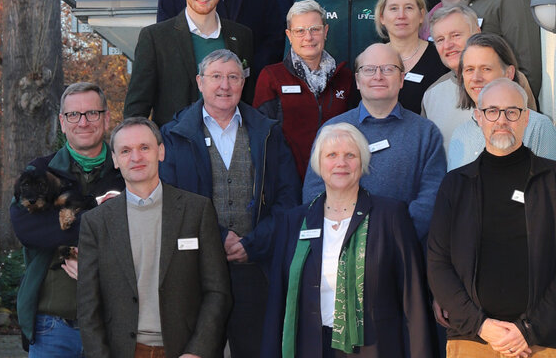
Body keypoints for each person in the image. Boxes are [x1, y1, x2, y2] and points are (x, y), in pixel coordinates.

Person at [428, 78, 556, 356]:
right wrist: (480, 325)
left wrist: (529, 330)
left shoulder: (554, 178)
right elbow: (438, 262)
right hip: (473, 341)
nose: (502, 119)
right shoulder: (455, 184)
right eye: (492, 111)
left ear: (526, 118)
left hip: (541, 342)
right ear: (478, 117)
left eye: (512, 112)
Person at [159, 49, 301, 358]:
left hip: (254, 268)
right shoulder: (173, 136)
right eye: (216, 77)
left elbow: (289, 201)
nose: (225, 85)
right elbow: (170, 199)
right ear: (200, 82)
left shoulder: (268, 133)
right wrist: (219, 237)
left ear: (243, 83)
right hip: (196, 272)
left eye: (233, 77)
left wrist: (255, 242)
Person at [262, 122, 437, 358]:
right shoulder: (293, 222)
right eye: (331, 155)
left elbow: (413, 302)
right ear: (319, 163)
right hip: (310, 348)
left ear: (362, 162)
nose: (341, 163)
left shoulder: (391, 216)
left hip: (375, 349)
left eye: (350, 155)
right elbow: (277, 304)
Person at [77, 117, 232, 358]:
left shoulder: (197, 211)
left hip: (184, 350)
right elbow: (88, 306)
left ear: (161, 152)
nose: (136, 158)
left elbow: (217, 291)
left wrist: (198, 350)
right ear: (116, 160)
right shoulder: (96, 222)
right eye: (126, 151)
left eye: (144, 148)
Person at [10, 83, 125, 356]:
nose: (83, 122)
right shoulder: (39, 171)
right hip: (53, 327)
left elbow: (141, 231)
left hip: (114, 325)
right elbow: (29, 229)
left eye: (92, 113)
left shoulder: (126, 169)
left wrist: (91, 255)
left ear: (106, 118)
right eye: (73, 115)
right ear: (62, 122)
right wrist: (102, 222)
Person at [303, 42, 446, 242]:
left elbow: (431, 196)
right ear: (358, 81)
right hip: (341, 247)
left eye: (388, 69)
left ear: (402, 79)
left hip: (404, 248)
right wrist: (346, 236)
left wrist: (395, 237)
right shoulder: (332, 129)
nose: (378, 76)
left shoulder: (426, 133)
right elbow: (314, 191)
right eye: (369, 70)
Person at [124, 0, 253, 126]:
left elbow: (247, 99)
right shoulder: (154, 38)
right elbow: (136, 110)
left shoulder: (241, 36)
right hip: (175, 148)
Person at [253, 0, 356, 180]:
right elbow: (261, 135)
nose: (308, 37)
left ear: (325, 32)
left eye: (315, 29)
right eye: (300, 31)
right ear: (289, 35)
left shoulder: (345, 78)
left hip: (337, 178)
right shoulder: (272, 77)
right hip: (286, 180)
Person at [448, 33, 556, 170]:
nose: (476, 78)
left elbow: (549, 187)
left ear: (509, 74)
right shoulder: (460, 135)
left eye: (486, 69)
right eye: (469, 69)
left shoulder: (537, 127)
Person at [374, 0, 445, 114]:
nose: (401, 15)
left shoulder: (440, 57)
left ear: (421, 15)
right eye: (393, 8)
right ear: (382, 17)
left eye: (409, 8)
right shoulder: (370, 59)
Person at [423, 5, 483, 151]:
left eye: (456, 35)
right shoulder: (432, 94)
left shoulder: (508, 80)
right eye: (440, 39)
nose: (448, 45)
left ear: (477, 33)